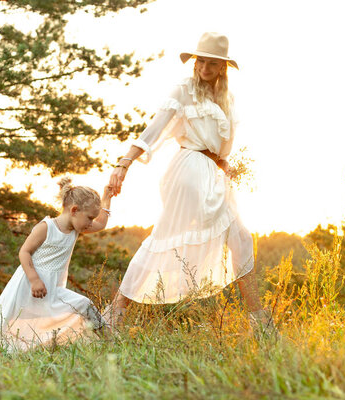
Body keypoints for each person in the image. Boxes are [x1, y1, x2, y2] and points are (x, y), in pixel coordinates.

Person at [106, 32, 276, 337]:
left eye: (212, 63)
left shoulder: (226, 98)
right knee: (232, 239)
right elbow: (153, 130)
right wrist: (124, 163)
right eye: (201, 61)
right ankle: (261, 325)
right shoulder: (184, 90)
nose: (205, 68)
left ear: (223, 67)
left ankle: (115, 315)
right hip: (188, 171)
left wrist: (224, 163)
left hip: (212, 172)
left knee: (219, 240)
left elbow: (215, 145)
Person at [0, 178, 114, 353]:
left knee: (84, 305)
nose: (92, 223)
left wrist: (107, 198)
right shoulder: (47, 227)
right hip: (28, 284)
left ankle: (111, 343)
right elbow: (24, 252)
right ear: (74, 210)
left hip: (53, 289)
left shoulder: (76, 228)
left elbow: (101, 224)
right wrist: (34, 280)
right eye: (90, 217)